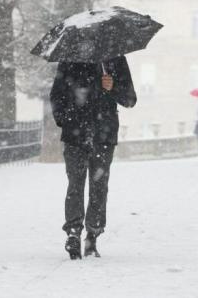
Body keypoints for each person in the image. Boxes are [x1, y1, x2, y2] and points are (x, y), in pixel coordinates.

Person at [50, 56, 136, 259]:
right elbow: (56, 95)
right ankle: (73, 233)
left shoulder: (115, 60)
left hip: (103, 135)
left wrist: (112, 87)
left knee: (99, 187)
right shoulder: (71, 60)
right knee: (75, 185)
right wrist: (66, 119)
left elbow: (130, 99)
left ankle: (92, 235)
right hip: (75, 134)